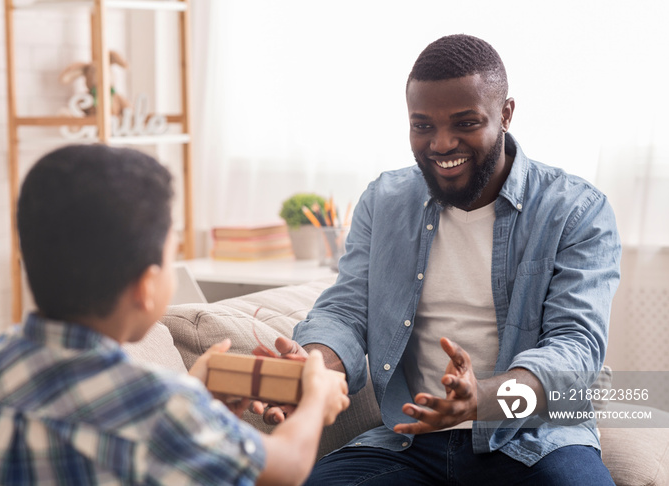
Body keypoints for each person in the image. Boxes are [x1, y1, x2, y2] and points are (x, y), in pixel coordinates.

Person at [261, 34, 621, 484]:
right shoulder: (385, 200)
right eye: (423, 125)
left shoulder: (576, 210)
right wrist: (314, 364)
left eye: (465, 123)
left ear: (506, 114)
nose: (441, 143)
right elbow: (346, 310)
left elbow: (576, 347)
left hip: (533, 438)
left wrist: (482, 398)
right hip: (411, 442)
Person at [0, 145, 349, 485]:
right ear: (146, 287)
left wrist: (197, 396)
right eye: (172, 255)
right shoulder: (160, 407)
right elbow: (285, 468)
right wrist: (316, 398)